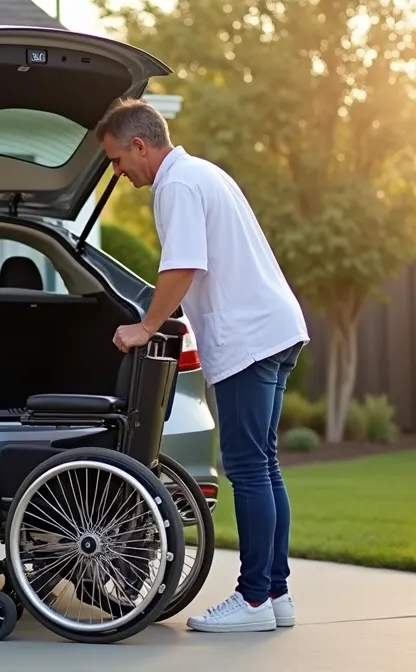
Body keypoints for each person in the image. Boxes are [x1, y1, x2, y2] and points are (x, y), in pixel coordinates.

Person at [96, 98, 309, 633]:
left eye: (118, 160)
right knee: (264, 465)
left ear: (140, 145)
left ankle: (254, 601)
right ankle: (275, 594)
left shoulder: (176, 185)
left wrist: (145, 327)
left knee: (249, 468)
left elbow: (183, 266)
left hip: (248, 340)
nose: (118, 173)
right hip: (275, 329)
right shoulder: (203, 173)